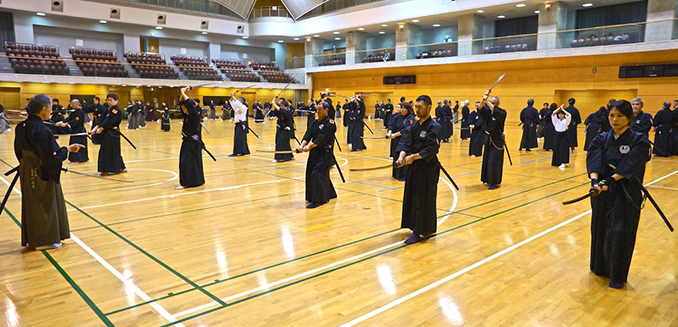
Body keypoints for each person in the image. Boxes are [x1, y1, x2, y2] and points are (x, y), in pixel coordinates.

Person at [587, 99, 651, 289]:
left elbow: (631, 163)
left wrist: (611, 180)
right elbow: (594, 159)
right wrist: (595, 181)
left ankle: (617, 274)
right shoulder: (601, 138)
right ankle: (599, 267)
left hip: (626, 190)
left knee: (620, 231)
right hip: (602, 191)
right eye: (611, 115)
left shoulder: (639, 139)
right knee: (600, 227)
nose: (614, 119)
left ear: (629, 117)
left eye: (620, 116)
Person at [14, 94, 84, 250]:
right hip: (41, 171)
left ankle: (36, 238)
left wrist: (26, 163)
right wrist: (67, 149)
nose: (51, 112)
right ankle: (43, 240)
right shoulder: (41, 129)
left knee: (33, 204)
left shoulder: (21, 126)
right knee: (44, 203)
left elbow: (18, 151)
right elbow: (52, 158)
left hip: (27, 168)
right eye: (50, 108)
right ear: (43, 109)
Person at [395, 95, 442, 245]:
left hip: (427, 168)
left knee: (423, 199)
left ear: (429, 108)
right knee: (413, 197)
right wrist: (401, 157)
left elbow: (431, 148)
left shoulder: (435, 127)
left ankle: (420, 231)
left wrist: (413, 157)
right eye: (415, 106)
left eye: (420, 107)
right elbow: (406, 141)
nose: (417, 109)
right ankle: (419, 226)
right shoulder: (414, 126)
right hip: (414, 167)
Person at [297, 101, 338, 208]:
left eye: (320, 110)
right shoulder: (315, 122)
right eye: (317, 110)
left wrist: (309, 147)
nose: (318, 112)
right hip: (315, 152)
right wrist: (302, 145)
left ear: (326, 110)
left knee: (317, 174)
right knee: (310, 172)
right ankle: (330, 193)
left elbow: (321, 138)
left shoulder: (330, 123)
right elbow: (308, 134)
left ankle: (319, 200)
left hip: (325, 154)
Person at [176, 87, 205, 190]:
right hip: (187, 142)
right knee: (186, 162)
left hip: (193, 143)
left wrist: (183, 92)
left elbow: (188, 103)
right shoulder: (187, 115)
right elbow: (181, 102)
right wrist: (182, 93)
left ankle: (187, 183)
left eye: (185, 107)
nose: (183, 109)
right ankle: (193, 181)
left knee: (187, 162)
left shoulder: (194, 115)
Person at [91, 93, 126, 176]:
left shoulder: (116, 110)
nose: (109, 102)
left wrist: (101, 128)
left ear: (116, 101)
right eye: (108, 100)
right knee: (106, 150)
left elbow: (110, 121)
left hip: (113, 134)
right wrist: (94, 129)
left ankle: (108, 170)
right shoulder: (107, 110)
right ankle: (120, 167)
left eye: (111, 100)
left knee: (111, 151)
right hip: (106, 134)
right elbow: (101, 119)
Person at [479, 91, 507, 190]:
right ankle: (487, 179)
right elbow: (480, 108)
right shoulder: (487, 113)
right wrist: (483, 100)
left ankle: (494, 182)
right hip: (488, 140)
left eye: (492, 102)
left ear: (496, 103)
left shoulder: (502, 112)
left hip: (497, 141)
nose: (489, 104)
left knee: (493, 162)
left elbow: (494, 110)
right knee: (487, 160)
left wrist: (487, 101)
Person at [388, 102, 415, 181]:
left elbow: (407, 129)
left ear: (408, 109)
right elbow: (391, 124)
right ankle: (396, 174)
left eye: (404, 108)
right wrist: (389, 132)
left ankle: (404, 175)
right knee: (396, 156)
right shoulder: (397, 117)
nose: (402, 110)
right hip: (396, 140)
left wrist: (396, 134)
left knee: (403, 157)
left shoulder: (410, 119)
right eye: (401, 108)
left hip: (405, 140)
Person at [270, 98, 294, 163]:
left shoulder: (288, 112)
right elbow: (273, 111)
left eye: (283, 106)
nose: (281, 107)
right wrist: (273, 103)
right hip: (280, 129)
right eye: (281, 106)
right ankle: (290, 156)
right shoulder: (281, 112)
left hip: (286, 130)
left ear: (286, 107)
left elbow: (280, 110)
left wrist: (274, 104)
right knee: (284, 143)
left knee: (280, 143)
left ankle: (278, 158)